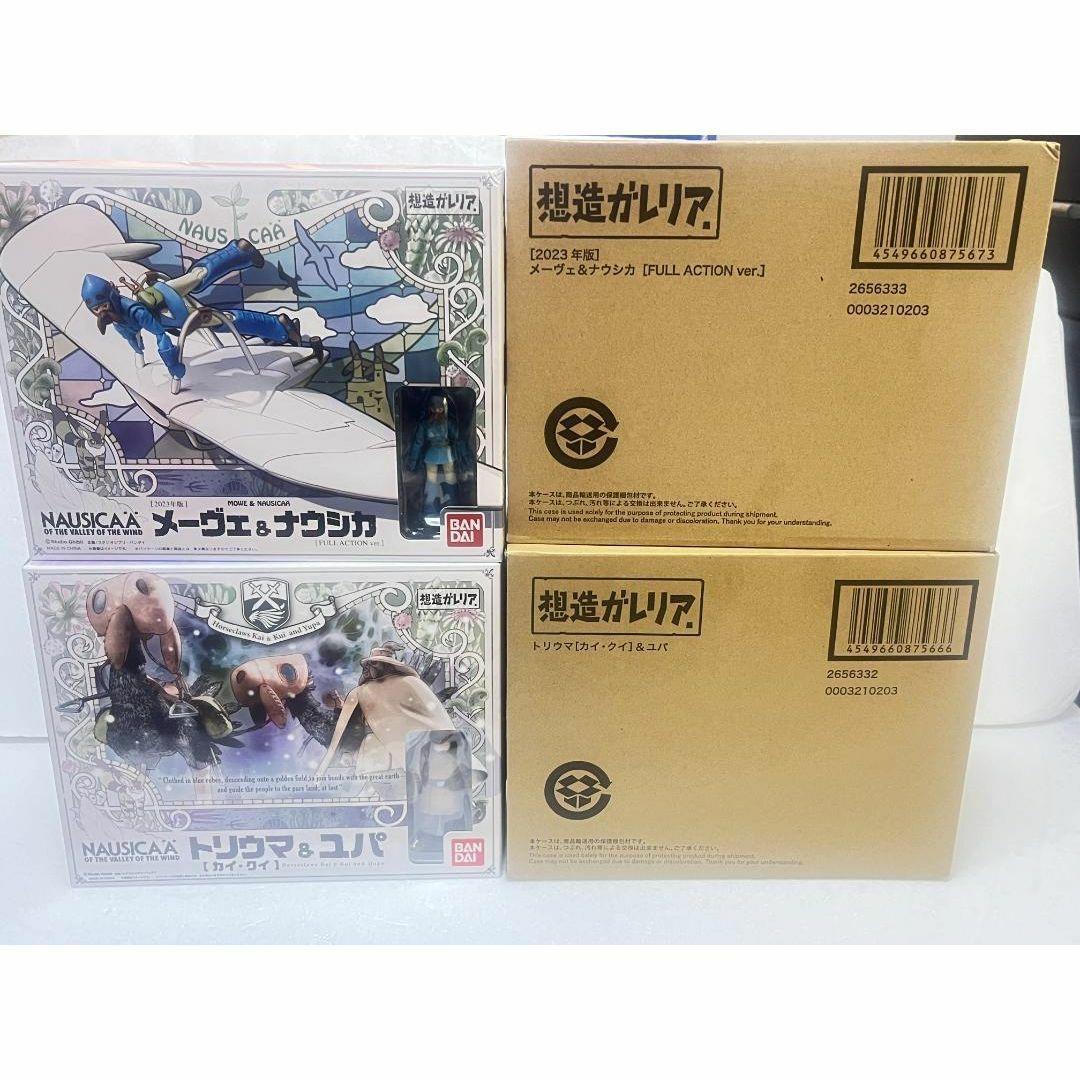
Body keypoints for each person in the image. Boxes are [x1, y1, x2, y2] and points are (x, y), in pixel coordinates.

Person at [80, 238, 312, 393]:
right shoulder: (118, 316)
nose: (102, 312)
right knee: (197, 277)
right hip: (162, 292)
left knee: (221, 320)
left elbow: (161, 336)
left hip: (174, 312)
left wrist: (173, 365)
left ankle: (280, 327)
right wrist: (138, 351)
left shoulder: (134, 312)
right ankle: (238, 251)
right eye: (97, 309)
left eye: (103, 307)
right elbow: (131, 335)